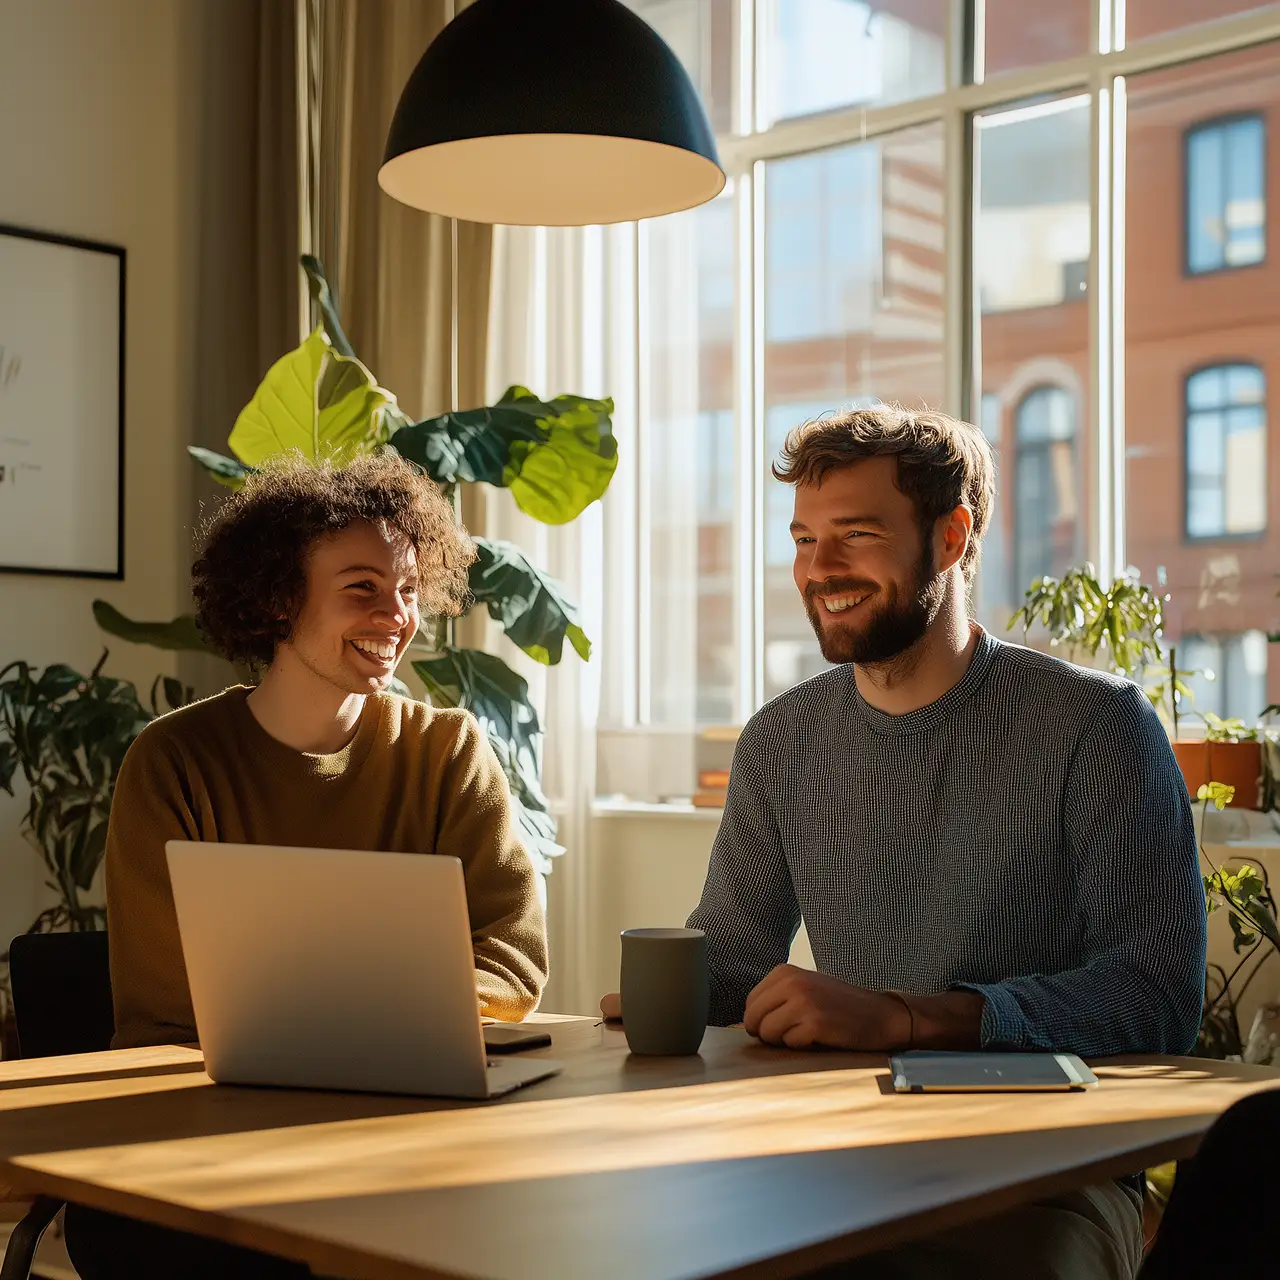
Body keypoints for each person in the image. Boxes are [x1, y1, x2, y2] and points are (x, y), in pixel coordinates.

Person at [603, 405, 1206, 1280]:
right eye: (805, 540)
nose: (820, 569)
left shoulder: (1096, 726)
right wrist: (658, 992)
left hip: (1042, 1177)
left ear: (951, 536)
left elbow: (1156, 996)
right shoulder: (781, 742)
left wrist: (913, 1018)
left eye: (855, 535)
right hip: (834, 1150)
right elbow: (734, 961)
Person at [66, 452, 548, 1279]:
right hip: (213, 1141)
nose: (395, 614)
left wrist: (353, 1022)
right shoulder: (174, 762)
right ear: (278, 599)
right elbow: (168, 1011)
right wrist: (397, 1007)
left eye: (405, 589)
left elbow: (511, 961)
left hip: (415, 1136)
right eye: (360, 587)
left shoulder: (451, 752)